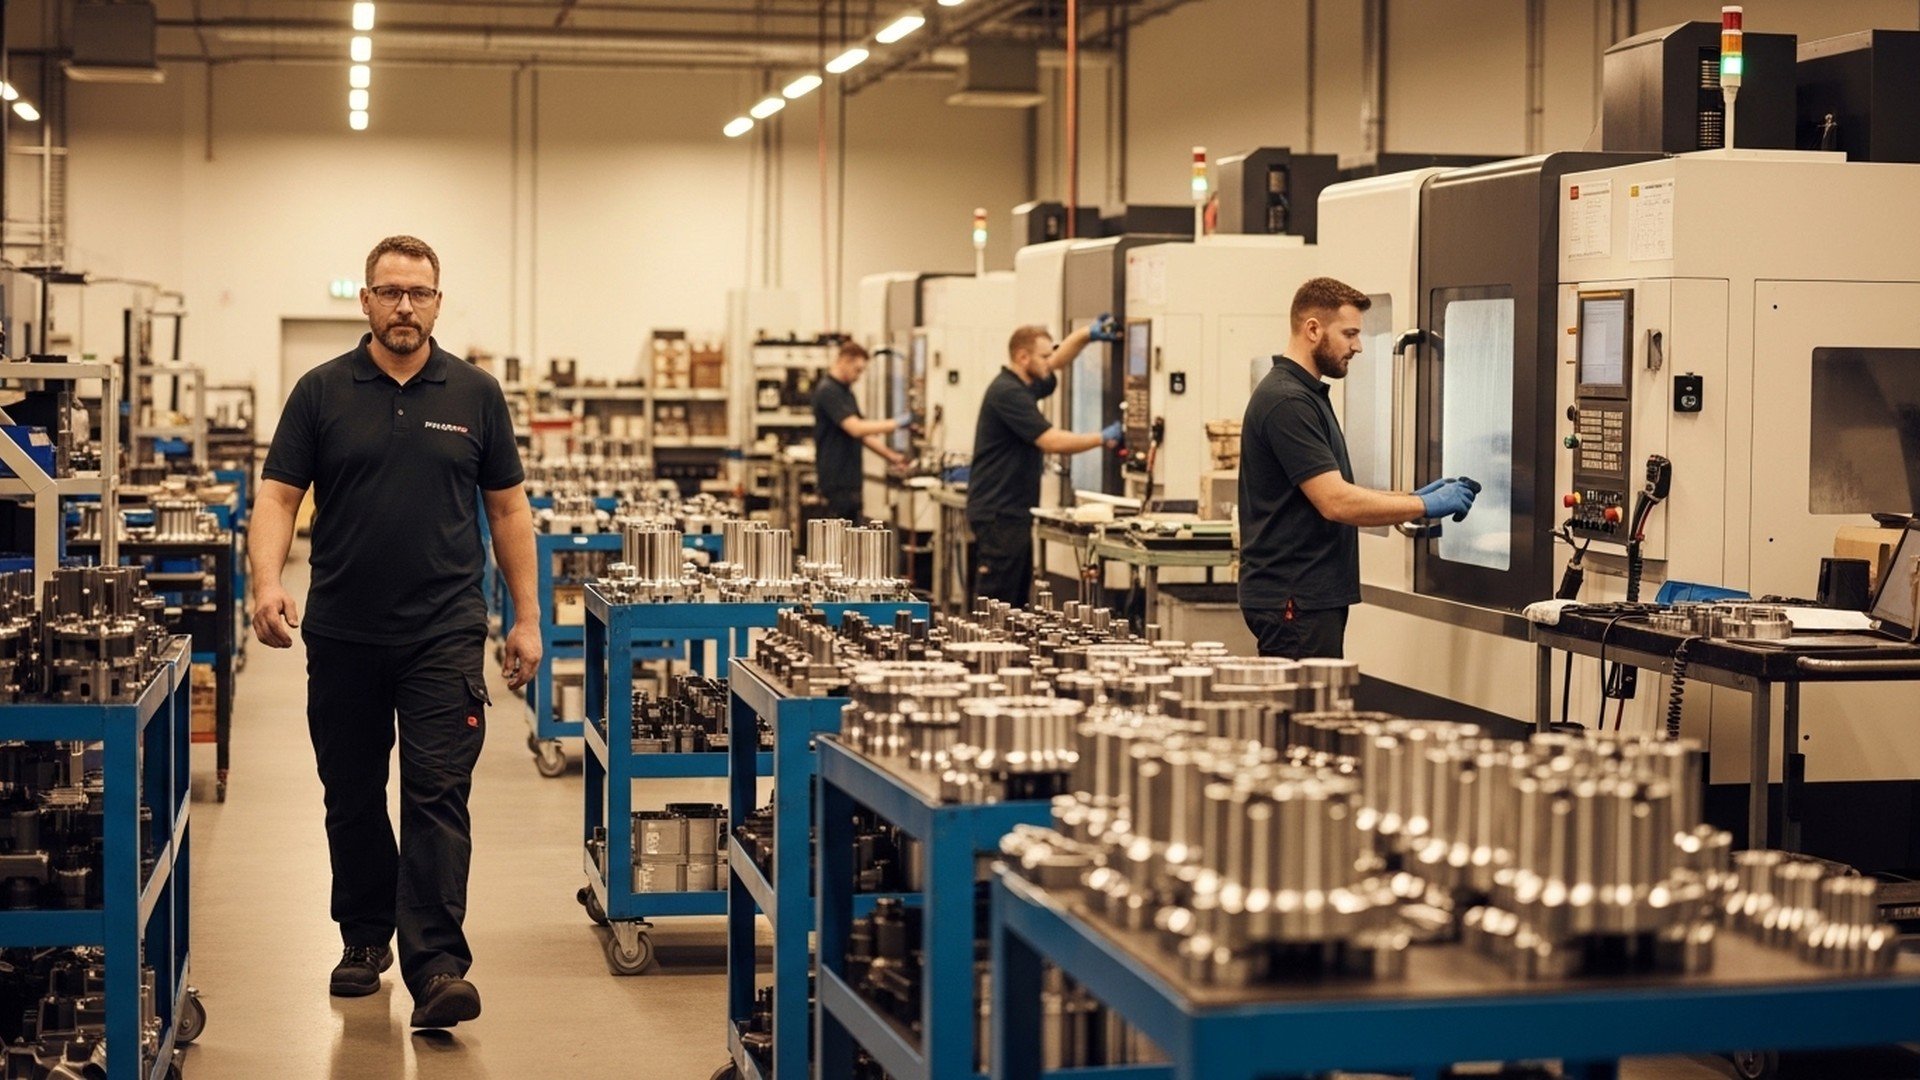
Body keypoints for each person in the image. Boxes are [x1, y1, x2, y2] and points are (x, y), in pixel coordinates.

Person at [251, 235, 541, 1029]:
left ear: (438, 302)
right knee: (351, 794)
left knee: (437, 795)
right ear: (367, 301)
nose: (404, 306)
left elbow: (509, 509)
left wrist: (526, 616)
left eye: (419, 293)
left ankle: (439, 964)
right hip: (341, 629)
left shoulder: (476, 393)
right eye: (390, 292)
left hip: (444, 631)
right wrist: (269, 580)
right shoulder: (320, 391)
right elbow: (278, 497)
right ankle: (363, 938)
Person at [1238, 277, 1478, 659]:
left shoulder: (1305, 394)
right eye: (1349, 333)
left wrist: (1411, 496)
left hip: (1307, 596)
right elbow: (1337, 503)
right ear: (1313, 329)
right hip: (1295, 597)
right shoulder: (1288, 402)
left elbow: (1337, 489)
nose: (1358, 346)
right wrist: (1423, 507)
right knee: (1307, 716)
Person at [967, 318, 1125, 605]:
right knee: (998, 599)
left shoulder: (1024, 384)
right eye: (1043, 355)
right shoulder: (1008, 392)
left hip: (1011, 511)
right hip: (999, 513)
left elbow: (1056, 362)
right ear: (1022, 357)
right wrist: (1103, 438)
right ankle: (988, 648)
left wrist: (1084, 335)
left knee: (1014, 598)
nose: (1050, 361)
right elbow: (1051, 441)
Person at [811, 341, 910, 522]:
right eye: (858, 370)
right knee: (838, 542)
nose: (859, 376)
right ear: (844, 361)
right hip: (836, 483)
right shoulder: (828, 390)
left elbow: (863, 435)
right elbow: (856, 428)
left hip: (850, 483)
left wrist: (893, 457)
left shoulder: (846, 392)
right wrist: (897, 423)